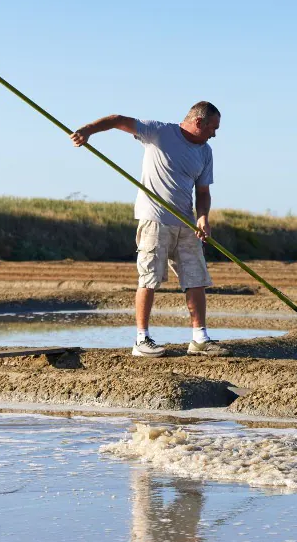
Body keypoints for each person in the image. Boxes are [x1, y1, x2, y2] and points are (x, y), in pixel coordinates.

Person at [71, 101, 228, 357]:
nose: (214, 134)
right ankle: (141, 340)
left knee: (196, 279)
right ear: (199, 122)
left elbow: (203, 191)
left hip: (187, 223)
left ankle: (199, 338)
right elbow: (117, 119)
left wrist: (203, 218)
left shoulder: (205, 152)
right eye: (213, 127)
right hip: (154, 218)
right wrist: (87, 130)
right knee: (149, 278)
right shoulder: (159, 132)